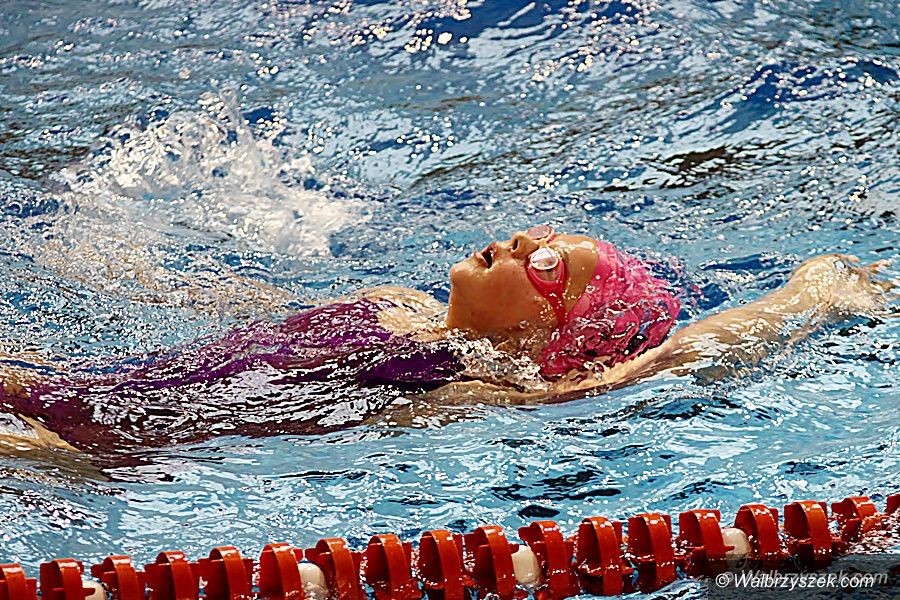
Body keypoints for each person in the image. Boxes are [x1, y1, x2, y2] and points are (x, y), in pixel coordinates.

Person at [0, 225, 894, 454]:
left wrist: (810, 294)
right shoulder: (393, 301)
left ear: (551, 328)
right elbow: (236, 321)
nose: (520, 241)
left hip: (92, 446)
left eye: (547, 262)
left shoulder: (482, 384)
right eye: (542, 234)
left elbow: (673, 356)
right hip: (80, 381)